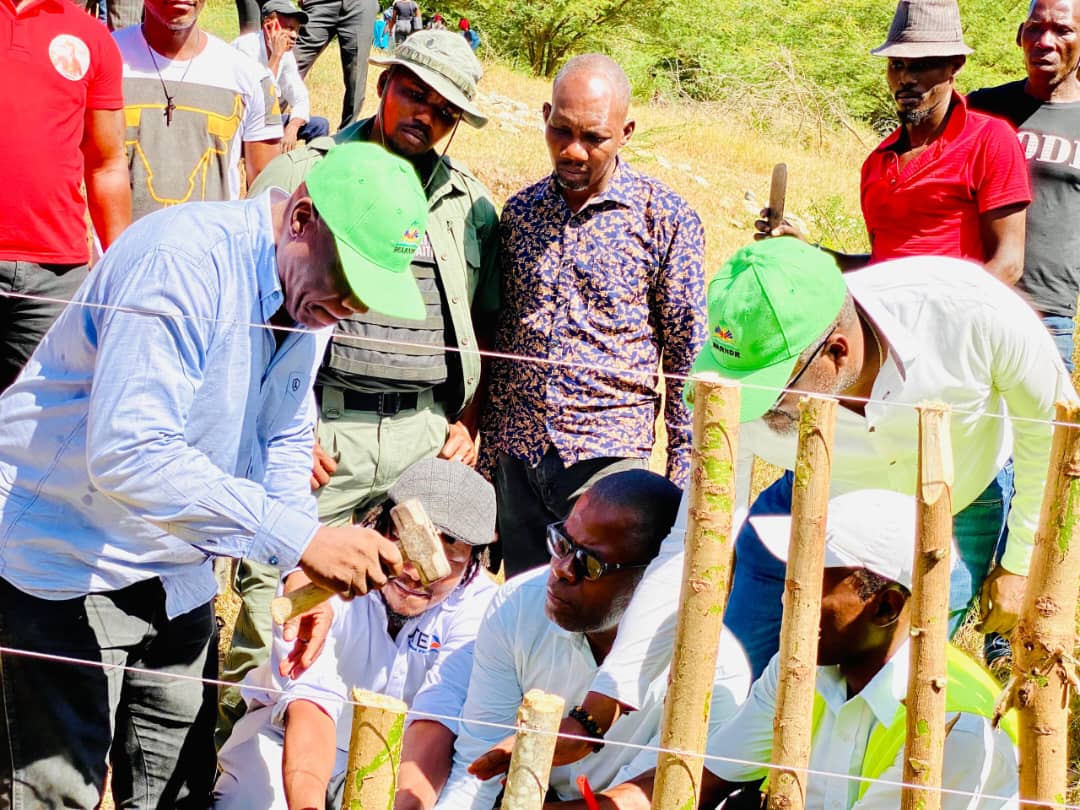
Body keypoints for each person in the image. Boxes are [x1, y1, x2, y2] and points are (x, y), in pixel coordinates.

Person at [513, 237, 1073, 776]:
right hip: (812, 501)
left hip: (953, 506)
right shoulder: (734, 390)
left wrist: (1020, 560)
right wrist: (606, 702)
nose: (762, 411)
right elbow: (693, 546)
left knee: (887, 691)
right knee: (737, 676)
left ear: (837, 351)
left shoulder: (968, 310)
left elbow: (1053, 430)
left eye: (773, 391)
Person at [0, 142, 429, 807]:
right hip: (66, 557)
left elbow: (284, 432)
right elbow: (130, 451)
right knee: (55, 794)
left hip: (176, 570)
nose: (350, 305)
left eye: (368, 293)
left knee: (179, 788)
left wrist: (298, 567)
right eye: (347, 278)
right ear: (301, 218)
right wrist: (299, 540)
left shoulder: (309, 296)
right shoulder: (183, 262)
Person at [218, 29, 500, 745]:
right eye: (415, 95)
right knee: (276, 606)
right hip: (319, 434)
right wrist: (283, 419)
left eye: (444, 111)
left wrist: (468, 416)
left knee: (407, 602)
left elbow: (485, 319)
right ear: (384, 85)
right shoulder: (302, 173)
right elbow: (250, 313)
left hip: (422, 437)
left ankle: (363, 761)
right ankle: (248, 765)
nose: (425, 117)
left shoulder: (470, 205)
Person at [571, 490, 1019, 809]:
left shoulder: (954, 729)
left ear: (886, 606)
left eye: (808, 584)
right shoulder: (801, 667)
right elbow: (703, 780)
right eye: (789, 578)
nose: (787, 598)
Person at [481, 53, 706, 577]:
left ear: (625, 132)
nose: (573, 151)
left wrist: (681, 477)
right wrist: (489, 460)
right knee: (528, 615)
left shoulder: (665, 220)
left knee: (595, 618)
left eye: (594, 137)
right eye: (561, 130)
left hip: (607, 459)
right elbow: (499, 342)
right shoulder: (520, 213)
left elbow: (687, 354)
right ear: (545, 116)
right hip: (520, 457)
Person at [434, 470, 751, 809]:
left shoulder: (714, 672)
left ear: (651, 580)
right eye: (562, 544)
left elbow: (648, 798)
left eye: (589, 563)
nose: (562, 569)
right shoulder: (516, 606)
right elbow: (476, 765)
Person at [214, 458, 498, 810]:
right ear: (383, 524)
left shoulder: (482, 612)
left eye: (450, 554)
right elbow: (311, 706)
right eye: (406, 542)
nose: (414, 573)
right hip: (291, 739)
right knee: (245, 802)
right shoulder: (326, 574)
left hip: (405, 762)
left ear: (474, 559)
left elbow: (434, 726)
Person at [757, 0, 1031, 285]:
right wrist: (808, 253)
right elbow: (881, 267)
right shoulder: (877, 161)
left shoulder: (990, 139)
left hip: (955, 323)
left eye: (922, 66)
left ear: (955, 66)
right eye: (896, 64)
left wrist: (940, 318)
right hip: (881, 322)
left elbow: (1008, 265)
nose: (905, 78)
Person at [0, 0, 130, 392]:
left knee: (47, 434)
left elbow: (107, 163)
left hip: (57, 277)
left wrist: (123, 269)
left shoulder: (91, 34)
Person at [969, 0, 1080, 371]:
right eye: (1034, 28)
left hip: (1048, 319)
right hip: (971, 305)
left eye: (1062, 30)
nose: (1044, 41)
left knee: (1041, 430)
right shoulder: (981, 108)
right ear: (1020, 36)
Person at [114, 0, 283, 222]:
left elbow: (267, 197)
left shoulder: (250, 78)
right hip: (122, 255)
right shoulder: (102, 59)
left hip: (213, 254)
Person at [233, 0, 331, 153]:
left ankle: (313, 174)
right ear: (268, 25)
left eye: (297, 30)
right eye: (289, 28)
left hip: (265, 123)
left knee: (319, 125)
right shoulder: (245, 48)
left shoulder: (286, 55)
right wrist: (276, 57)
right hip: (239, 125)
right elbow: (258, 98)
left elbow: (300, 97)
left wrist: (292, 127)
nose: (294, 35)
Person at [294, 0, 379, 130]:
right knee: (291, 64)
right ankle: (266, 132)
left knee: (355, 82)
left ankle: (343, 140)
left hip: (361, 4)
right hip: (320, 3)